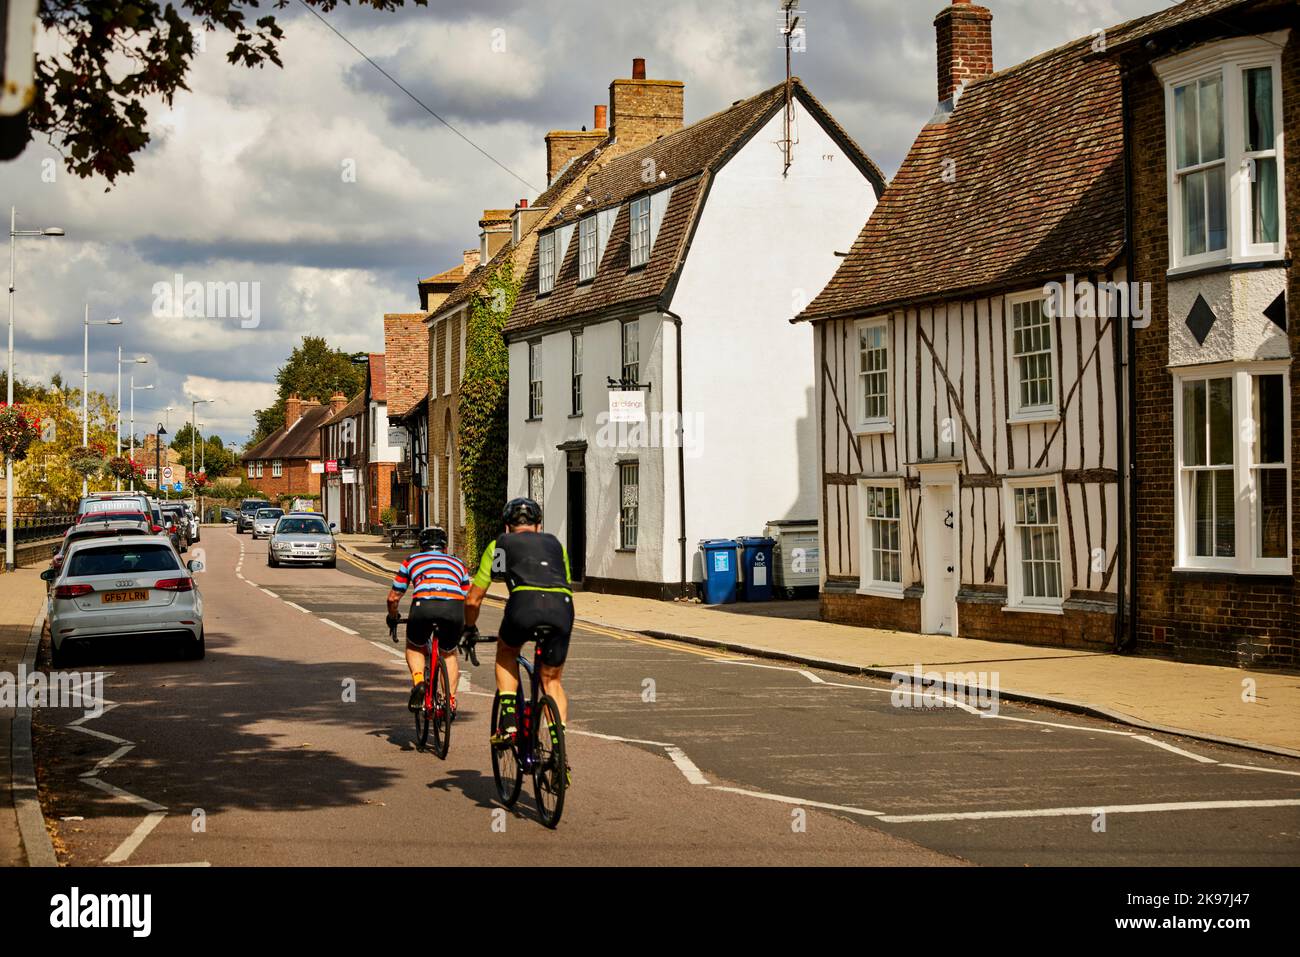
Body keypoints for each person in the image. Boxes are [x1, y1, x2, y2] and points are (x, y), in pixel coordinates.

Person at [464, 497, 573, 753]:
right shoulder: (556, 546)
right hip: (562, 606)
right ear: (538, 525)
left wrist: (469, 628)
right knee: (552, 680)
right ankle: (559, 748)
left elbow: (474, 599)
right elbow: (564, 583)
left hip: (524, 605)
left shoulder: (499, 545)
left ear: (506, 527)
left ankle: (510, 721)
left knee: (506, 652)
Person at [386, 527, 470, 715]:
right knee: (448, 653)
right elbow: (469, 597)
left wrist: (393, 617)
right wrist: (468, 625)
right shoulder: (458, 564)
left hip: (423, 607)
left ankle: (419, 682)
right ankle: (450, 701)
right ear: (445, 547)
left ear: (421, 547)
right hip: (453, 608)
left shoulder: (412, 561)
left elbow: (393, 598)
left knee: (415, 646)